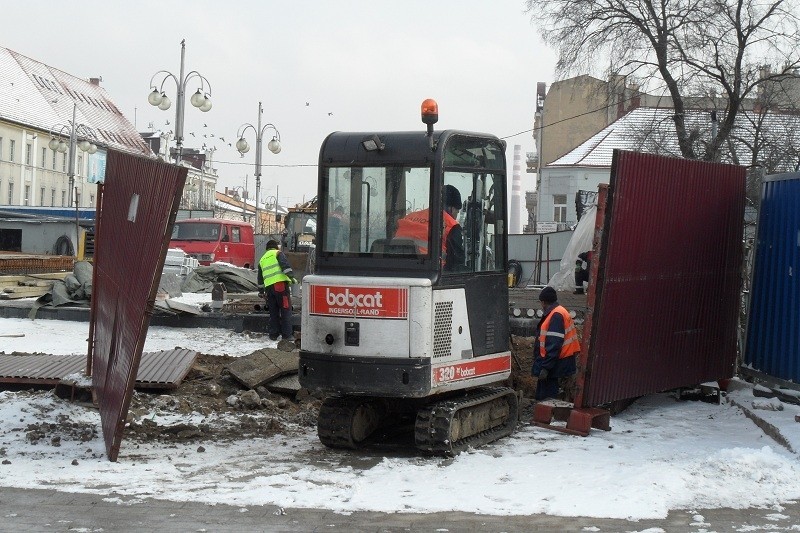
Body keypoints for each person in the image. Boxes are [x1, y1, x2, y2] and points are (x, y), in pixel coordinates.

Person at [394, 184, 465, 271]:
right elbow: (457, 263)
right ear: (452, 208)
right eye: (457, 212)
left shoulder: (409, 217)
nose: (455, 216)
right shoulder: (451, 225)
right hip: (430, 273)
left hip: (397, 269)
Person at [532, 286, 581, 401]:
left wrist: (545, 367)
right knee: (544, 393)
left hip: (556, 362)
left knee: (548, 396)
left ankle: (548, 415)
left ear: (543, 302)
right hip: (557, 361)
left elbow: (554, 345)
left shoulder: (556, 316)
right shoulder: (558, 312)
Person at [257, 239, 298, 341]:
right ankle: (287, 335)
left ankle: (273, 334)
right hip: (280, 286)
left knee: (273, 312)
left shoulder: (262, 259)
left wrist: (261, 292)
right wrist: (292, 278)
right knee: (285, 310)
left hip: (269, 289)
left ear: (267, 248)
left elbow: (260, 279)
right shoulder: (278, 253)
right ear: (276, 247)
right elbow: (285, 267)